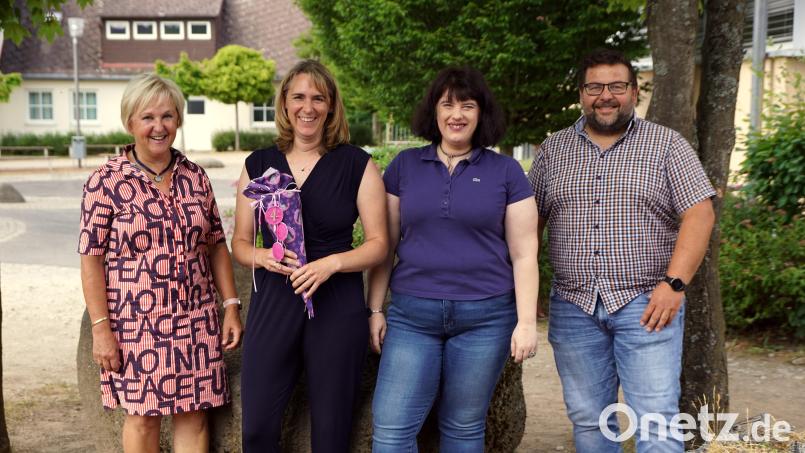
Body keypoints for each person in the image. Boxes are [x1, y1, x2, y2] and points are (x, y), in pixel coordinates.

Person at [528, 48, 716, 453]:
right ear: (581, 92)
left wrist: (675, 284)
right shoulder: (553, 151)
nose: (606, 96)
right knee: (590, 422)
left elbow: (699, 215)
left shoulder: (667, 145)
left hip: (647, 304)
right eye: (595, 86)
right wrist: (531, 289)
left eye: (617, 86)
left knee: (656, 421)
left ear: (633, 91)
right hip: (574, 305)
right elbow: (529, 225)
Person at [369, 67, 539, 452]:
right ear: (434, 112)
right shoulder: (404, 167)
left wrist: (527, 322)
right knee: (391, 431)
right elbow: (386, 244)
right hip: (413, 317)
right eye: (447, 104)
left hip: (486, 319)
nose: (456, 114)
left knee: (463, 428)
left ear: (482, 114)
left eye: (467, 104)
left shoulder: (507, 172)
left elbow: (525, 252)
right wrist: (375, 309)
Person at [78, 73, 243, 452]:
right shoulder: (105, 181)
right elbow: (91, 260)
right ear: (130, 122)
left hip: (196, 318)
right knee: (142, 417)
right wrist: (101, 329)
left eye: (168, 116)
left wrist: (231, 306)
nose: (159, 126)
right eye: (148, 117)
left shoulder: (195, 178)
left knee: (194, 415)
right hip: (135, 324)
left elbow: (216, 244)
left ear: (178, 120)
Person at [231, 59, 388, 452]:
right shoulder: (258, 165)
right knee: (257, 429)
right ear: (284, 103)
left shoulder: (358, 164)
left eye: (319, 98)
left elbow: (379, 244)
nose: (308, 107)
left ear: (331, 106)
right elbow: (240, 242)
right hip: (274, 298)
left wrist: (332, 263)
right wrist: (263, 257)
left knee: (332, 432)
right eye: (298, 97)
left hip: (336, 302)